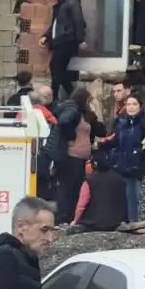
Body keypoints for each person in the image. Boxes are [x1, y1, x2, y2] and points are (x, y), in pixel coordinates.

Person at [52, 87, 106, 225]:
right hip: (71, 155)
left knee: (75, 187)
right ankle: (64, 216)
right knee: (67, 187)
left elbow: (101, 131)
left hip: (80, 156)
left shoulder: (84, 113)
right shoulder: (73, 111)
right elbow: (64, 123)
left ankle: (71, 216)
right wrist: (71, 136)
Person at [106, 92, 145, 223]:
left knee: (138, 195)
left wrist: (141, 153)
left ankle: (138, 220)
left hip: (140, 164)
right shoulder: (120, 121)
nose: (131, 107)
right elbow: (115, 140)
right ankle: (127, 219)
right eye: (128, 104)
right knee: (125, 193)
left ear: (140, 106)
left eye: (134, 104)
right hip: (122, 162)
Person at [40, 0, 86, 101]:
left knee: (56, 67)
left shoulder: (72, 3)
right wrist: (46, 36)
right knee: (57, 68)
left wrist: (81, 39)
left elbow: (78, 21)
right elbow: (55, 25)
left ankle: (60, 94)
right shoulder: (60, 6)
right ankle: (65, 94)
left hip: (67, 40)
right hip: (60, 41)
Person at [71, 153, 128, 233]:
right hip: (116, 221)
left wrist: (75, 220)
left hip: (94, 222)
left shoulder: (89, 180)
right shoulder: (119, 179)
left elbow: (82, 204)